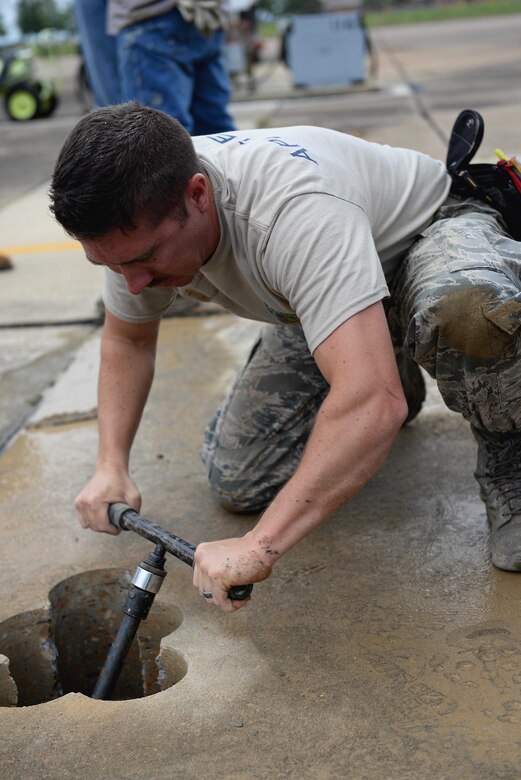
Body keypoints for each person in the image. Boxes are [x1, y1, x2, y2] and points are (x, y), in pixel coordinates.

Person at [50, 103, 521, 613]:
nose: (132, 283)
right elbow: (128, 341)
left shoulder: (293, 213)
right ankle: (376, 352)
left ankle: (510, 460)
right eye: (110, 264)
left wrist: (259, 546)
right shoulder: (134, 220)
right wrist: (110, 465)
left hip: (429, 234)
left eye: (145, 258)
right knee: (240, 478)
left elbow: (373, 405)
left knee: (466, 308)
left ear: (198, 195)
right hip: (320, 297)